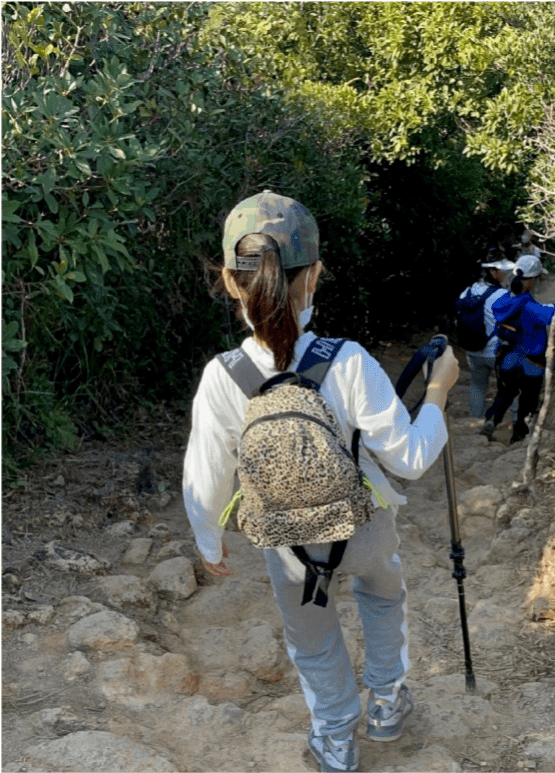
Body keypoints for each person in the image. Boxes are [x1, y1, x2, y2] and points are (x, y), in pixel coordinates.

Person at [182, 190, 460, 773]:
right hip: (366, 522)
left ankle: (335, 736)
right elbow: (408, 457)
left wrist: (209, 540)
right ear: (314, 276)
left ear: (232, 284)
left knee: (310, 632)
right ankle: (386, 702)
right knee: (384, 595)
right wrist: (438, 391)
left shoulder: (222, 376)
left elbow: (205, 474)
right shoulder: (349, 359)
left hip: (286, 539)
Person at [480, 254, 555, 444]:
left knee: (505, 392)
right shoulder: (529, 305)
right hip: (531, 362)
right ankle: (519, 435)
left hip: (507, 358)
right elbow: (550, 314)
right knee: (528, 399)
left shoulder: (503, 302)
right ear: (532, 280)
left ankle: (492, 421)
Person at [456, 258, 515, 417]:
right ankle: (516, 423)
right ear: (493, 272)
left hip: (473, 351)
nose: (506, 274)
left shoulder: (468, 291)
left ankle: (475, 420)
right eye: (503, 271)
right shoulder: (503, 295)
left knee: (477, 386)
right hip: (495, 351)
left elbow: (458, 310)